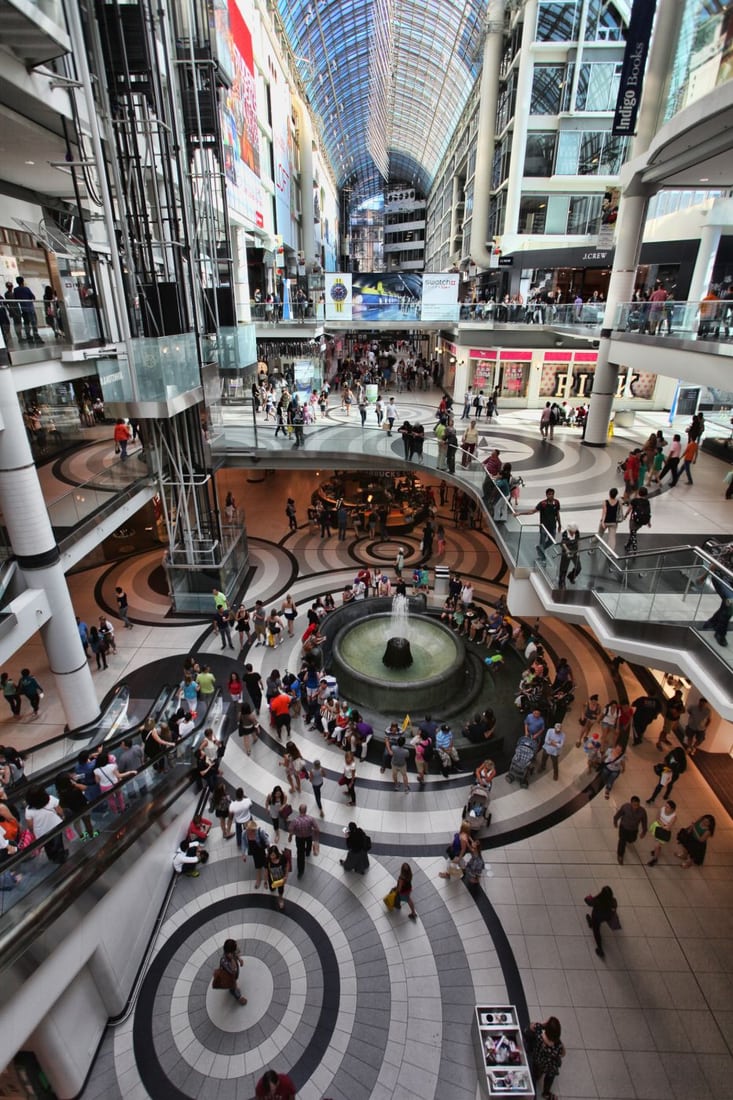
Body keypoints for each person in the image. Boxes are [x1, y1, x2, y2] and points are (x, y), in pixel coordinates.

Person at [524, 1017, 565, 1100]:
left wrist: (542, 1024)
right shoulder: (558, 1045)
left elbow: (531, 1027)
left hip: (537, 1058)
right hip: (549, 1065)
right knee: (549, 1078)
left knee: (537, 1070)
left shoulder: (539, 1032)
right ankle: (546, 1093)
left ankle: (537, 1075)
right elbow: (563, 1054)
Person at [24, 786, 66, 863]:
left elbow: (30, 825)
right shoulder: (51, 799)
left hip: (41, 832)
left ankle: (51, 856)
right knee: (58, 842)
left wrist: (32, 832)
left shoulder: (28, 810)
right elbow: (60, 811)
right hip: (55, 826)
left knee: (47, 845)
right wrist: (62, 817)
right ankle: (60, 856)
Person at [521, 488, 561, 563]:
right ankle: (542, 557)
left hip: (553, 526)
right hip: (544, 527)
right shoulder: (542, 504)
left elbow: (557, 513)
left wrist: (560, 525)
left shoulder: (556, 502)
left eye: (552, 494)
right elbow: (532, 511)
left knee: (551, 541)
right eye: (549, 494)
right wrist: (520, 513)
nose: (551, 496)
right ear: (546, 495)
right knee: (542, 542)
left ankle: (540, 549)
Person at [584, 885, 618, 958]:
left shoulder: (597, 901)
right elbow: (614, 909)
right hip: (606, 917)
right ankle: (592, 923)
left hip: (597, 917)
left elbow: (588, 901)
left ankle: (600, 949)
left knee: (596, 932)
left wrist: (588, 898)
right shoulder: (613, 901)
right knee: (596, 924)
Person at [287, 803, 320, 877]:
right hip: (308, 836)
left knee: (300, 854)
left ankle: (300, 871)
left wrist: (290, 837)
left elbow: (291, 829)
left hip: (299, 838)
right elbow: (317, 829)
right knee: (309, 844)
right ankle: (308, 852)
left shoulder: (295, 821)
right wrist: (316, 838)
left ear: (299, 810)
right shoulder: (311, 819)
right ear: (306, 810)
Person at [613, 796, 647, 864]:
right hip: (624, 827)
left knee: (632, 840)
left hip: (633, 829)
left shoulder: (642, 811)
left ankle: (628, 840)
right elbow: (618, 814)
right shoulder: (625, 807)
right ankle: (620, 855)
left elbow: (644, 822)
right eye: (634, 805)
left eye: (637, 805)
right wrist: (615, 821)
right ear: (631, 803)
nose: (636, 807)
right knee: (622, 841)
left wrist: (644, 831)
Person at [647, 799, 677, 866]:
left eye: (667, 807)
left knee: (657, 845)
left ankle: (655, 859)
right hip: (657, 827)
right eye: (665, 806)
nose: (665, 808)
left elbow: (668, 827)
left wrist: (661, 823)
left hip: (664, 832)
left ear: (672, 809)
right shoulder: (662, 809)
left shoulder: (674, 817)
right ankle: (656, 850)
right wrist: (663, 824)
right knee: (656, 842)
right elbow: (657, 818)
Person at [217, 939, 247, 1004]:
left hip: (233, 972)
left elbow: (236, 954)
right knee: (233, 985)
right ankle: (238, 996)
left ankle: (234, 987)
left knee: (235, 980)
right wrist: (232, 959)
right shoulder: (224, 961)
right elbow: (233, 970)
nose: (237, 947)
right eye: (235, 946)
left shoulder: (232, 953)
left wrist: (239, 959)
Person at [624, 485, 651, 554]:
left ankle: (635, 548)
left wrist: (625, 516)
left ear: (639, 493)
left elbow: (629, 510)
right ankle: (627, 545)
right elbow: (648, 512)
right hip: (642, 521)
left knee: (633, 534)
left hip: (633, 520)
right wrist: (648, 522)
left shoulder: (635, 501)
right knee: (633, 533)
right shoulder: (647, 502)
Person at [243, 817, 269, 887]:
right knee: (258, 866)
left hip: (261, 850)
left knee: (266, 866)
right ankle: (258, 879)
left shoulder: (260, 832)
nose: (253, 831)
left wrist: (268, 852)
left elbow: (267, 842)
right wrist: (244, 854)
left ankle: (266, 881)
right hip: (254, 851)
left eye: (253, 830)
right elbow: (244, 844)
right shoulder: (244, 834)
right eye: (250, 830)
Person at [13, 277, 40, 342]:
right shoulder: (26, 289)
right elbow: (33, 297)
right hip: (30, 308)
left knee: (26, 323)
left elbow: (16, 299)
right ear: (23, 281)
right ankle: (36, 335)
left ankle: (28, 336)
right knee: (33, 322)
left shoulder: (16, 290)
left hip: (23, 309)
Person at [266, 844, 289, 909]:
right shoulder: (268, 860)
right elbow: (266, 870)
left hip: (281, 878)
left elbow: (287, 864)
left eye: (273, 855)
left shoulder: (282, 858)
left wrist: (286, 876)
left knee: (281, 889)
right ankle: (273, 888)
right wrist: (265, 881)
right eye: (270, 854)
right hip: (272, 879)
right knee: (272, 889)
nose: (271, 856)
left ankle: (280, 899)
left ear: (276, 854)